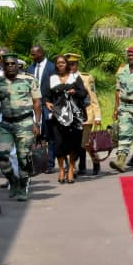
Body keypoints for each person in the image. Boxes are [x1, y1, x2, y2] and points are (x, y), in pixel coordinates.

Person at [0, 53, 42, 201]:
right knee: (1, 156)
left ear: (17, 65)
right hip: (6, 124)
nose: (10, 66)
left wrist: (37, 123)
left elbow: (37, 103)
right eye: (7, 64)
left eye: (13, 63)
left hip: (25, 123)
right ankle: (13, 180)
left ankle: (22, 188)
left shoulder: (30, 80)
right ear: (2, 66)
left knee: (24, 157)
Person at [45, 55, 87, 184]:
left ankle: (71, 169)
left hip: (74, 116)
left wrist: (75, 92)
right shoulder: (52, 78)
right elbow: (46, 95)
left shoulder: (75, 77)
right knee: (58, 144)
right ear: (56, 65)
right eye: (58, 63)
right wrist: (47, 103)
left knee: (74, 144)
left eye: (63, 62)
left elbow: (83, 93)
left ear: (67, 64)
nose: (60, 64)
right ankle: (61, 169)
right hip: (58, 116)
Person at [68, 53, 102, 176]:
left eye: (73, 64)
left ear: (77, 64)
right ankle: (78, 167)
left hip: (86, 114)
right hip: (71, 116)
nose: (71, 67)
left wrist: (97, 116)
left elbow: (93, 97)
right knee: (73, 143)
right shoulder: (63, 78)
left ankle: (96, 162)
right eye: (68, 64)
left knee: (85, 143)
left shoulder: (86, 78)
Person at [28, 45, 55, 173]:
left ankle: (50, 164)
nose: (32, 56)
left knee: (50, 136)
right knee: (36, 135)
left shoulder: (52, 67)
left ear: (41, 53)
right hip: (34, 106)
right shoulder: (30, 68)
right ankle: (38, 164)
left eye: (33, 54)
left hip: (48, 105)